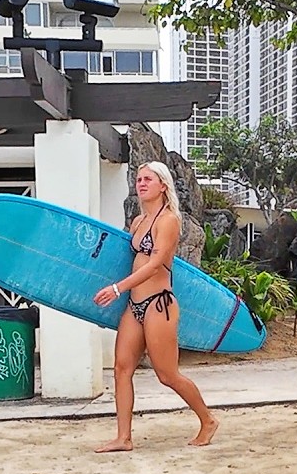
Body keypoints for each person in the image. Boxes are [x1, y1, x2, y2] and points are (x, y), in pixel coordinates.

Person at [92, 161, 218, 452]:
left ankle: (208, 419)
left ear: (163, 185)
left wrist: (116, 288)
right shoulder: (138, 222)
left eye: (148, 179)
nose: (141, 183)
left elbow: (155, 264)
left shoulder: (169, 220)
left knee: (167, 375)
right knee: (122, 368)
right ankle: (124, 438)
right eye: (138, 179)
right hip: (134, 306)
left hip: (159, 305)